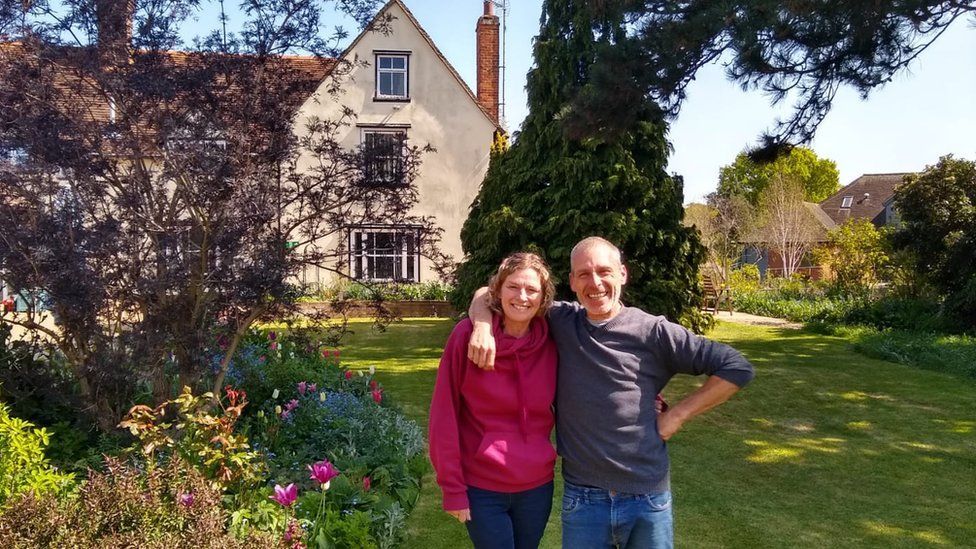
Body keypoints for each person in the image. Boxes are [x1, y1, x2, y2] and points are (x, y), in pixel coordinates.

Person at [467, 237, 755, 549]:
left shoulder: (653, 331)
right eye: (584, 274)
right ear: (573, 282)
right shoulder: (561, 321)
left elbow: (735, 367)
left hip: (647, 496)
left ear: (622, 274)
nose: (595, 283)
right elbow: (487, 293)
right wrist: (482, 327)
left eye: (604, 272)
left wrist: (678, 415)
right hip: (584, 498)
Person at [428, 252, 559, 549]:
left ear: (544, 297)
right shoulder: (466, 336)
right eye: (513, 286)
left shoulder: (552, 339)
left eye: (532, 290)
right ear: (498, 291)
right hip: (482, 485)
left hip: (537, 486)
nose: (522, 296)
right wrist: (452, 488)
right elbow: (443, 414)